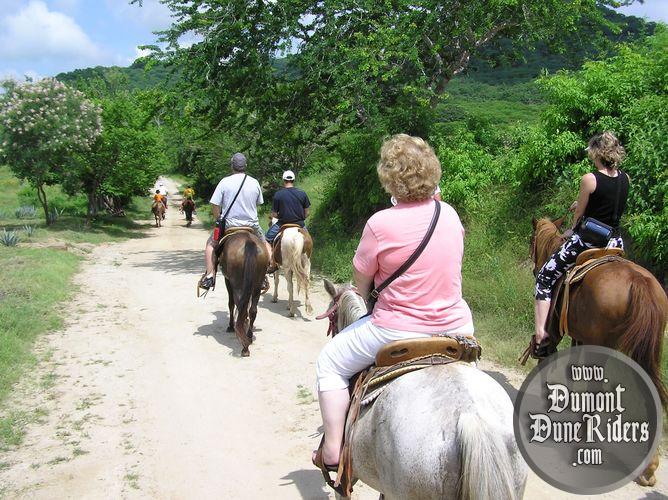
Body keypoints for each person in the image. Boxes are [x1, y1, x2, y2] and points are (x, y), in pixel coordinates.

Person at [312, 134, 474, 469]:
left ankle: (331, 449)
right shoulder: (450, 214)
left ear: (389, 178)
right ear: (432, 172)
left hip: (396, 331)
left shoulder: (380, 223)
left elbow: (361, 283)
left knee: (328, 362)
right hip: (456, 327)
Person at [532, 131, 630, 354]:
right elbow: (609, 205)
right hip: (614, 242)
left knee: (545, 277)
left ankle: (541, 334)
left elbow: (580, 217)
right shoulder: (625, 178)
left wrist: (570, 230)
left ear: (596, 152)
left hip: (589, 241)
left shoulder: (590, 179)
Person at [200, 153, 272, 290]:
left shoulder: (224, 182)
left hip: (229, 225)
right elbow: (258, 203)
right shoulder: (254, 182)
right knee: (265, 244)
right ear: (245, 166)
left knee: (211, 244)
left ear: (232, 165)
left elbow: (215, 204)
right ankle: (263, 276)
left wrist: (218, 219)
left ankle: (209, 277)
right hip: (251, 225)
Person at [265, 170, 311, 273]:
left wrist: (282, 215)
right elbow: (307, 213)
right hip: (299, 224)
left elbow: (274, 214)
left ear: (283, 180)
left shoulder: (278, 195)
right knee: (308, 240)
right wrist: (299, 217)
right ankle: (307, 260)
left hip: (283, 224)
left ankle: (272, 263)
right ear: (293, 180)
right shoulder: (302, 193)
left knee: (267, 238)